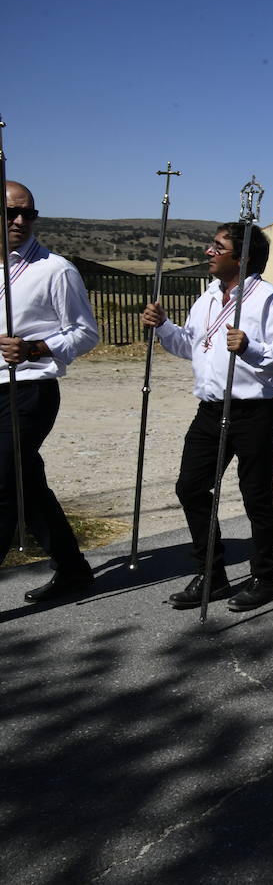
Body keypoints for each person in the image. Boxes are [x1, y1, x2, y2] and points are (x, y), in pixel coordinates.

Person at [143, 221, 273, 612]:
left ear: (242, 257)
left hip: (254, 412)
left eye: (218, 247)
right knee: (191, 488)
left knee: (256, 497)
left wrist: (252, 348)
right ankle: (212, 575)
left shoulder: (271, 301)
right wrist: (164, 327)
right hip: (210, 410)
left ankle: (263, 577)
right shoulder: (208, 298)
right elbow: (192, 347)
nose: (208, 253)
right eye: (211, 246)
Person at [1, 181, 100, 602]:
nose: (21, 221)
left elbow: (86, 333)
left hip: (29, 390)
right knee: (27, 484)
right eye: (11, 214)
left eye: (29, 214)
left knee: (3, 483)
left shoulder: (54, 269)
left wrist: (36, 347)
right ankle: (73, 569)